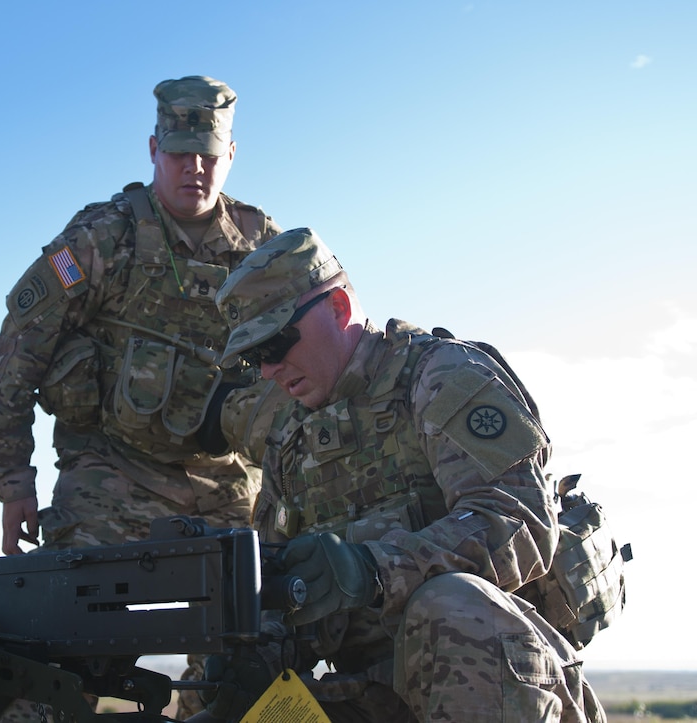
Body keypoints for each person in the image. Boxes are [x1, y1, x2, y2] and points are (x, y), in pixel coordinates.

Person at [0, 75, 282, 719]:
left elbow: (305, 362)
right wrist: (12, 482)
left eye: (209, 155)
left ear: (231, 156)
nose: (194, 168)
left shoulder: (259, 246)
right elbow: (17, 350)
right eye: (178, 153)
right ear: (152, 149)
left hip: (228, 483)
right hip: (111, 473)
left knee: (259, 654)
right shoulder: (102, 237)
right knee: (59, 643)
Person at [197, 227, 604, 721]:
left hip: (491, 673)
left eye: (278, 342)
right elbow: (288, 585)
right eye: (255, 356)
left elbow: (520, 523)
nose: (268, 371)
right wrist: (257, 653)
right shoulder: (289, 435)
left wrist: (372, 568)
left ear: (340, 308)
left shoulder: (439, 376)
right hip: (369, 693)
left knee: (449, 604)